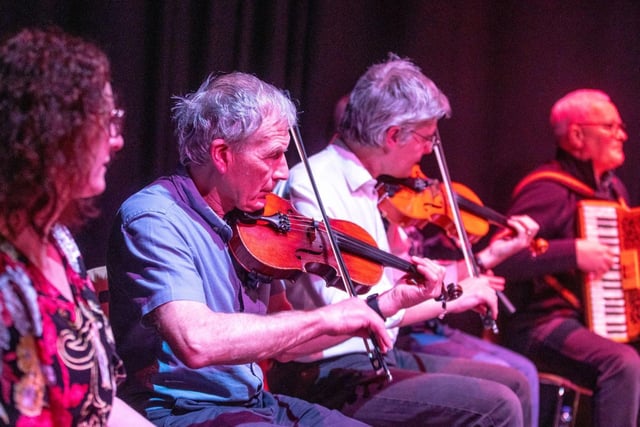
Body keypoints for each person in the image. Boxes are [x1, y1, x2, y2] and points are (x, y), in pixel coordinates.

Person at [106, 71, 448, 426]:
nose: (284, 172)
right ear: (222, 155)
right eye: (272, 156)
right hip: (182, 412)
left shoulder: (258, 224)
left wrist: (385, 303)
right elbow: (196, 341)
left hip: (253, 403)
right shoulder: (154, 218)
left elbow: (289, 346)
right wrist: (325, 316)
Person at [267, 54, 538, 426]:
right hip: (327, 370)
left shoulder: (373, 190)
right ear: (393, 135)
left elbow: (399, 289)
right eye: (427, 138)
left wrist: (469, 275)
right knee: (497, 403)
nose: (429, 151)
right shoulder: (313, 186)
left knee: (515, 381)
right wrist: (451, 301)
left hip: (376, 356)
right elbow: (349, 309)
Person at [0, 27, 152, 426]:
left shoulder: (62, 244)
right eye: (105, 120)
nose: (116, 140)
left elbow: (99, 406)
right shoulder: (6, 277)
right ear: (52, 130)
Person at [494, 89, 640, 427]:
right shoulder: (549, 189)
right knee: (622, 363)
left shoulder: (614, 192)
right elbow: (501, 258)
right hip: (540, 325)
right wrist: (574, 252)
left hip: (590, 324)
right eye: (610, 127)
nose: (623, 135)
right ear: (577, 135)